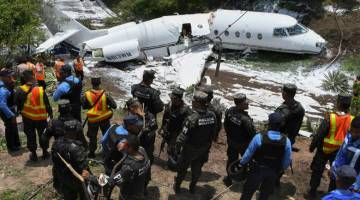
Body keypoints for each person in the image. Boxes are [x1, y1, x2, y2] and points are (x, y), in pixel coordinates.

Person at [308, 94, 354, 197]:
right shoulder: (351, 119)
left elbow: (320, 134)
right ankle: (331, 193)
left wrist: (312, 146)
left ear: (338, 103)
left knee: (317, 170)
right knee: (335, 173)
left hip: (324, 149)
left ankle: (312, 191)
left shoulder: (331, 117)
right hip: (340, 152)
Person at [239, 112, 292, 200]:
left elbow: (249, 153)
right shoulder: (286, 141)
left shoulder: (259, 137)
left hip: (257, 169)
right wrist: (281, 169)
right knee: (265, 194)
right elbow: (287, 159)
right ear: (281, 125)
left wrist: (242, 163)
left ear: (269, 124)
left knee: (248, 191)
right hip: (273, 171)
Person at [173, 91, 217, 194]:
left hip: (190, 149)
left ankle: (177, 186)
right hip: (203, 149)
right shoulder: (212, 116)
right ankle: (192, 187)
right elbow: (213, 134)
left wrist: (177, 150)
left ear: (197, 103)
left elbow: (182, 138)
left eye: (193, 100)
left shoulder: (192, 118)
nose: (192, 101)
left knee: (182, 169)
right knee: (196, 170)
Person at [94, 134, 150, 199]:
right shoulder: (142, 150)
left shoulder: (129, 168)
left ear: (130, 148)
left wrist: (90, 177)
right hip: (139, 189)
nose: (123, 144)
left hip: (128, 196)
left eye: (125, 144)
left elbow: (110, 182)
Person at [15, 70, 53, 161]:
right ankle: (45, 152)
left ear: (24, 78)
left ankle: (34, 154)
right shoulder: (40, 90)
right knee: (42, 134)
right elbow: (47, 104)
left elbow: (17, 105)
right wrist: (51, 114)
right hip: (41, 117)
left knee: (30, 135)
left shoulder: (19, 90)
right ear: (33, 76)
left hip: (28, 118)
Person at [223, 93, 256, 186]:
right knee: (248, 160)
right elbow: (253, 134)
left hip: (232, 141)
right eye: (245, 102)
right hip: (243, 144)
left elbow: (226, 125)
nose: (247, 103)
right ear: (240, 104)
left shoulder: (230, 111)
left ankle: (229, 178)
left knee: (231, 159)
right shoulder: (246, 119)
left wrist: (229, 137)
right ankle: (247, 179)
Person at [82, 77, 117, 158]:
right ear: (100, 83)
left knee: (92, 136)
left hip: (93, 119)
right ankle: (106, 152)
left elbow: (84, 106)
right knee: (106, 135)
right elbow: (114, 106)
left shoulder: (87, 94)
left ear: (92, 83)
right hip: (104, 118)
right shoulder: (105, 94)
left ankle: (91, 153)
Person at [160, 87, 191, 165]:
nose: (171, 99)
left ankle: (174, 164)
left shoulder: (186, 110)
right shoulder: (169, 105)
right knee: (169, 148)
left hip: (178, 132)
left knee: (173, 149)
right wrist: (162, 127)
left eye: (173, 98)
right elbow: (165, 117)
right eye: (171, 97)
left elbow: (188, 124)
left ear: (178, 99)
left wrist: (182, 135)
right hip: (169, 130)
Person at [329, 116, 360, 192]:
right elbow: (340, 152)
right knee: (332, 194)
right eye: (352, 130)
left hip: (349, 183)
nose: (353, 134)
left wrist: (357, 186)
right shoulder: (348, 136)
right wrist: (333, 166)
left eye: (357, 132)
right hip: (337, 175)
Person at [125, 98, 158, 164]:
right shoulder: (131, 115)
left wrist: (147, 128)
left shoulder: (147, 114)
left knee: (148, 154)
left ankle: (148, 163)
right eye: (132, 107)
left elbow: (154, 125)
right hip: (138, 139)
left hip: (148, 139)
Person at [275, 84, 305, 151]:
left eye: (282, 91)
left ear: (285, 94)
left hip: (279, 140)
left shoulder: (282, 111)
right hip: (291, 139)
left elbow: (275, 127)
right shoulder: (300, 108)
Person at [0, 68, 21, 152]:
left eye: (10, 76)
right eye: (8, 77)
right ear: (2, 77)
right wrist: (11, 115)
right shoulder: (3, 89)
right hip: (6, 110)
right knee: (9, 127)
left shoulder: (6, 84)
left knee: (13, 126)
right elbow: (2, 105)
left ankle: (16, 143)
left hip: (10, 108)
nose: (10, 78)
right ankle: (11, 147)